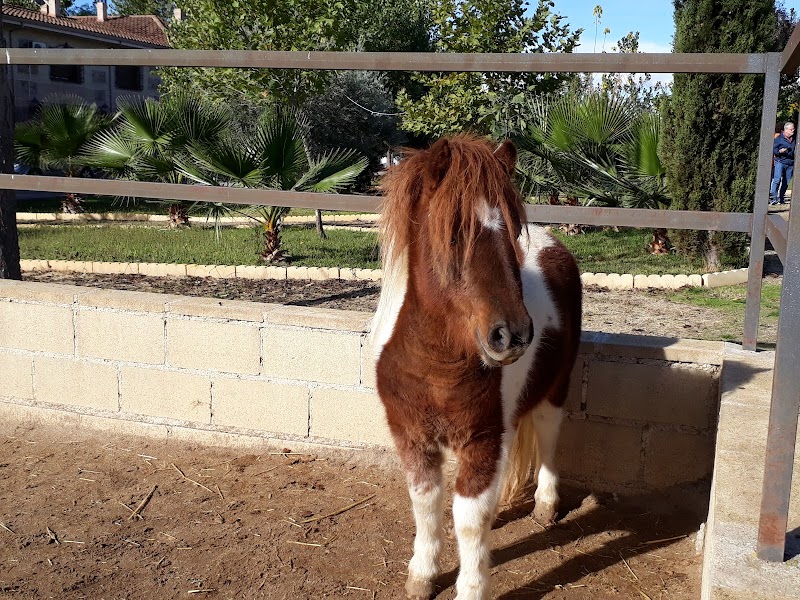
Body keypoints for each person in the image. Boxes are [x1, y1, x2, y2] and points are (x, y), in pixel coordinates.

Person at [771, 121, 796, 205]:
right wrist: (779, 151)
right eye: (791, 129)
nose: (793, 130)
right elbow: (774, 150)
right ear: (786, 130)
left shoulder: (794, 139)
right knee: (777, 180)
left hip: (790, 163)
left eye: (793, 129)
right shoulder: (778, 139)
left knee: (786, 182)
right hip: (780, 161)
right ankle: (774, 199)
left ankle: (781, 199)